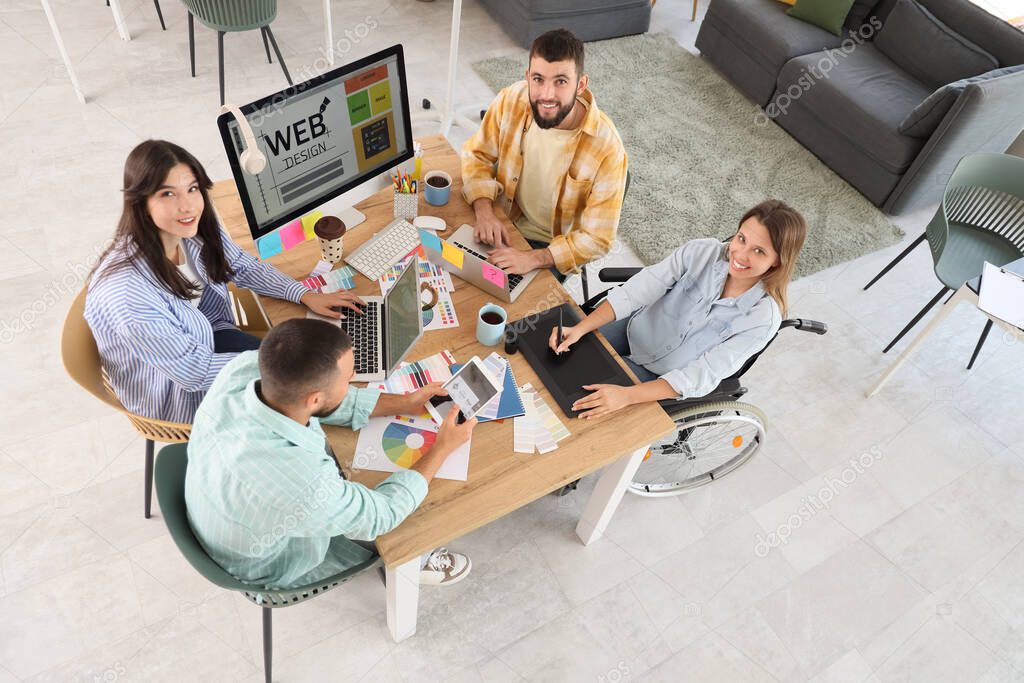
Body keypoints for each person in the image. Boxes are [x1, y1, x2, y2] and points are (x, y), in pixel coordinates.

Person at [185, 318, 477, 589]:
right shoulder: (304, 483)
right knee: (416, 514)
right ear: (313, 399)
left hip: (218, 512)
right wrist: (441, 448)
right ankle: (415, 563)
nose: (351, 380)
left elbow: (317, 398)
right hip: (264, 562)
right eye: (347, 380)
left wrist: (403, 403)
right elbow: (382, 514)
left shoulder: (246, 368)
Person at [85, 140, 364, 424]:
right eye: (167, 194)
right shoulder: (127, 296)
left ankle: (387, 402)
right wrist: (293, 370)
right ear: (141, 203)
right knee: (308, 388)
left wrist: (303, 294)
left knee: (316, 378)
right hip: (178, 394)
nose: (187, 206)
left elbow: (240, 265)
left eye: (192, 188)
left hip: (209, 337)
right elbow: (195, 372)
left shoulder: (194, 223)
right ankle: (379, 407)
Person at [550, 200, 807, 418]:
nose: (740, 254)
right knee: (556, 358)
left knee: (577, 405)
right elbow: (637, 290)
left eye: (759, 251)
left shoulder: (762, 319)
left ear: (777, 262)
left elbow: (699, 376)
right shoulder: (701, 252)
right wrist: (580, 328)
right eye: (741, 238)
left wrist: (626, 396)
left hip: (662, 375)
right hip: (635, 331)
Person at [461, 28, 628, 277]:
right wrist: (484, 211)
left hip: (550, 249)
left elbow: (598, 239)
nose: (546, 95)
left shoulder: (608, 149)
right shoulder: (511, 100)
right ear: (528, 77)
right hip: (502, 217)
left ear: (580, 84)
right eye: (538, 79)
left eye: (560, 81)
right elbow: (477, 155)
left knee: (508, 310)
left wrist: (534, 258)